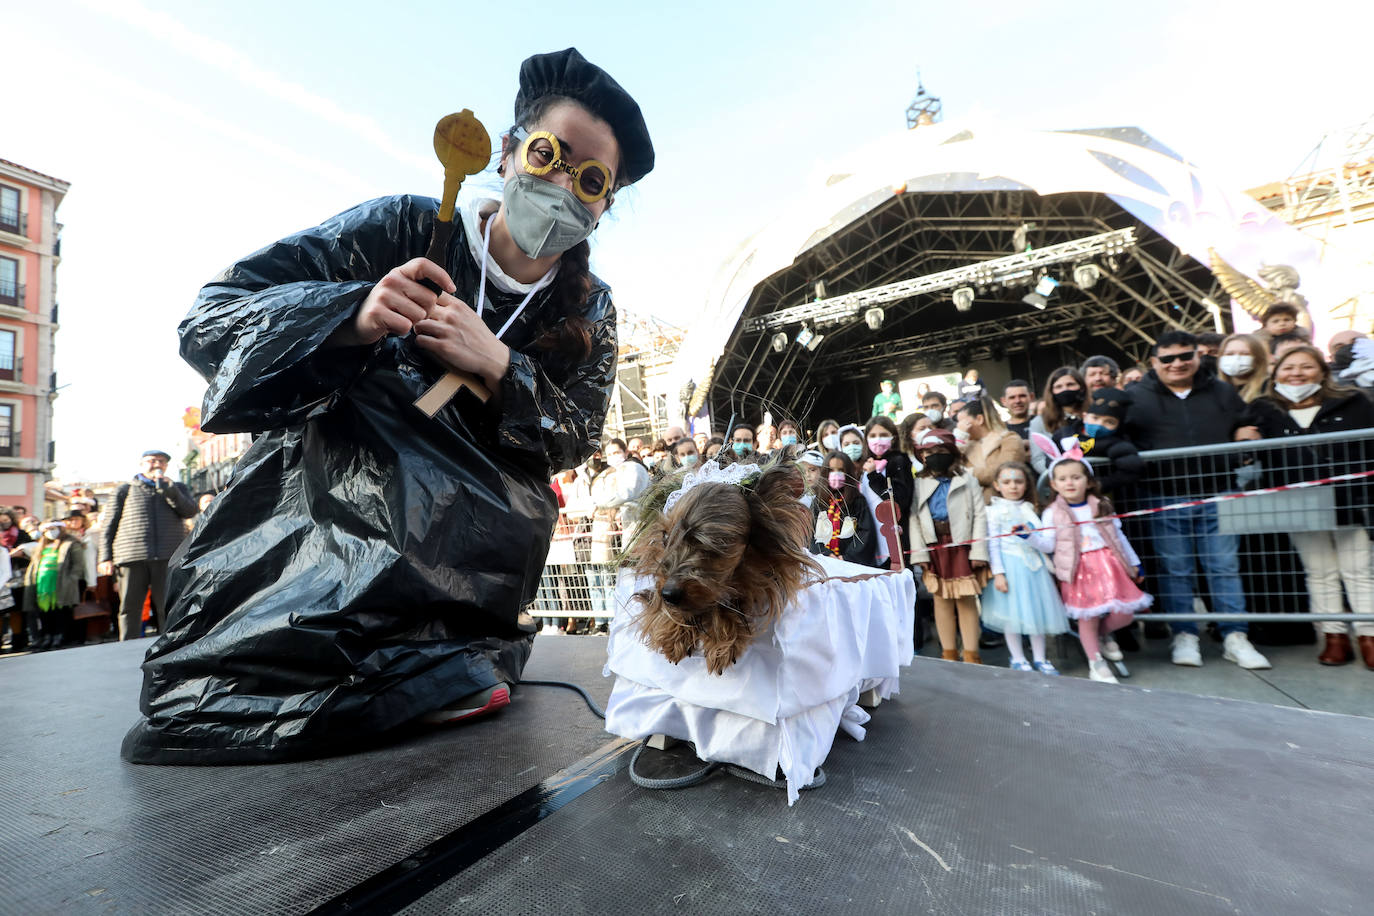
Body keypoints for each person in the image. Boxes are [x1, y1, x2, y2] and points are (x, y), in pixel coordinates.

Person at [122, 48, 655, 764]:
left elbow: (574, 438)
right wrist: (351, 312)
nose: (562, 185)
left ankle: (433, 672)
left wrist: (501, 366)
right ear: (505, 153)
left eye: (589, 180)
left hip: (469, 579)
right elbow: (212, 317)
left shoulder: (591, 308)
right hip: (315, 535)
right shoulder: (404, 228)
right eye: (548, 155)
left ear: (603, 207)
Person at [1121, 330, 1271, 670]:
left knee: (1225, 568)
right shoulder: (1134, 396)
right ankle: (1184, 635)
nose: (1178, 364)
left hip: (1219, 493)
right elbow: (1102, 434)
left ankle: (1235, 636)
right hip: (1163, 498)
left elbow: (1247, 421)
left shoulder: (1221, 390)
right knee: (1176, 570)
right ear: (1154, 362)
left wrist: (1246, 433)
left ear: (1198, 356)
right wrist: (1076, 447)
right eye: (1168, 358)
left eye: (1185, 356)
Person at [1250, 345, 1374, 668]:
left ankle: (1368, 635)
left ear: (1322, 371)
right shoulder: (1263, 410)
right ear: (1275, 374)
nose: (1297, 374)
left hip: (1352, 500)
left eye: (1306, 367)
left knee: (1359, 570)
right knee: (1319, 571)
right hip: (1298, 503)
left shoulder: (1355, 402)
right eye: (1288, 368)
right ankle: (1334, 637)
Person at [1031, 439, 1152, 684]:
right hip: (1078, 570)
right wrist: (1030, 537)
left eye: (1076, 477)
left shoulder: (1102, 506)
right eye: (1063, 479)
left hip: (1110, 566)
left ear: (1088, 480)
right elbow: (1048, 544)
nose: (1070, 483)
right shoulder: (1052, 512)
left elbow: (1119, 537)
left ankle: (1101, 634)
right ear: (1054, 484)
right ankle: (1095, 662)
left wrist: (1134, 562)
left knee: (1125, 612)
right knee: (1087, 618)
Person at [98, 449, 198, 640]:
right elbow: (109, 525)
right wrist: (105, 557)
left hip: (168, 557)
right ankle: (127, 646)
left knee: (169, 606)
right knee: (130, 607)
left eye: (162, 461)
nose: (157, 464)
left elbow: (189, 511)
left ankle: (170, 646)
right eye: (152, 461)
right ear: (141, 464)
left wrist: (171, 491)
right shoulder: (124, 490)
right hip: (132, 557)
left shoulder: (176, 487)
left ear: (167, 466)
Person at [909, 428, 989, 663]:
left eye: (940, 450)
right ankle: (949, 652)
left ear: (951, 452)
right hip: (935, 547)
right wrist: (920, 554)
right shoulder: (919, 484)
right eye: (929, 452)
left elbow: (980, 516)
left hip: (962, 544)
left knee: (966, 599)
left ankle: (972, 653)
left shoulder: (967, 479)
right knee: (941, 599)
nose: (934, 455)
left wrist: (978, 549)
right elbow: (914, 518)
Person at [980, 462, 1067, 674]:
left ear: (1026, 484)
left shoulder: (1031, 510)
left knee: (1036, 614)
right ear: (997, 485)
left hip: (1035, 570)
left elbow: (1046, 544)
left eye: (1018, 482)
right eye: (1007, 482)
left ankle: (1040, 658)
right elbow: (993, 544)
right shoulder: (992, 511)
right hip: (1010, 568)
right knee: (1012, 615)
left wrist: (1030, 537)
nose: (1013, 486)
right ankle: (1017, 658)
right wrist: (998, 573)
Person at [1061, 388, 1145, 498]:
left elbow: (1131, 469)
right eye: (1095, 418)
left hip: (1103, 498)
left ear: (1118, 426)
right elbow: (1050, 453)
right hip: (1066, 493)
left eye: (1110, 422)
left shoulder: (1116, 444)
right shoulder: (1065, 433)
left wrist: (1100, 484)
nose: (1099, 424)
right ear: (1085, 417)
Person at [858, 416, 913, 569]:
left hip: (896, 537)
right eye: (873, 436)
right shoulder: (866, 463)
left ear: (893, 437)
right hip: (874, 537)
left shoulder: (898, 461)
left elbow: (899, 499)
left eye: (883, 435)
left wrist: (874, 476)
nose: (878, 440)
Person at [24, 519, 87, 652]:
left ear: (60, 528)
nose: (50, 533)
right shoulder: (41, 546)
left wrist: (71, 579)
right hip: (42, 585)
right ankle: (47, 636)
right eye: (47, 530)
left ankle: (59, 636)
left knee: (60, 611)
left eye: (53, 529)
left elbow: (78, 565)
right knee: (45, 612)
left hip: (62, 583)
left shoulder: (71, 543)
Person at [808, 451, 875, 565]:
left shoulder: (857, 501)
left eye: (841, 470)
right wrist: (826, 554)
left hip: (850, 563)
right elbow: (810, 532)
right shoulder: (818, 502)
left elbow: (865, 533)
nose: (836, 474)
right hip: (824, 562)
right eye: (831, 470)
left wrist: (846, 558)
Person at [959, 396, 1030, 503]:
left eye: (963, 422)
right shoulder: (966, 446)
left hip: (1006, 506)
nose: (959, 427)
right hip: (973, 508)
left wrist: (966, 473)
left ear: (979, 419)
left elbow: (1001, 473)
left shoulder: (1010, 439)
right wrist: (960, 437)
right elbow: (951, 470)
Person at [1029, 368, 1088, 477]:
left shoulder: (1093, 415)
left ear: (1081, 387)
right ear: (1051, 392)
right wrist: (1058, 476)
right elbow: (1038, 459)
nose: (1065, 389)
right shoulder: (1039, 422)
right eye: (1058, 387)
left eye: (1070, 384)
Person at [1217, 333, 1271, 404]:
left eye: (1245, 354)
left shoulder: (1269, 389)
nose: (1236, 359)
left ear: (1258, 358)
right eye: (1229, 354)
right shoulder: (1213, 390)